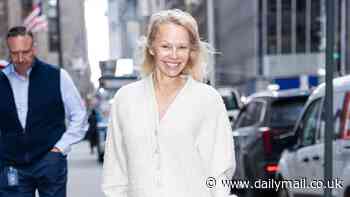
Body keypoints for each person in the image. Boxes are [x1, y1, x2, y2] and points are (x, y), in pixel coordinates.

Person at [102, 9, 235, 197]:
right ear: (151, 47)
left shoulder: (207, 99)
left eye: (182, 47)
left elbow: (219, 168)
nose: (174, 55)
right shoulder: (126, 99)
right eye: (165, 46)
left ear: (191, 52)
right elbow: (115, 171)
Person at [0, 26, 87, 197]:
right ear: (8, 51)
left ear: (34, 48)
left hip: (49, 161)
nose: (20, 58)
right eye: (14, 53)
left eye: (25, 52)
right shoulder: (1, 80)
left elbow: (79, 115)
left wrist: (60, 148)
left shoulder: (57, 76)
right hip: (12, 165)